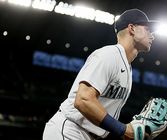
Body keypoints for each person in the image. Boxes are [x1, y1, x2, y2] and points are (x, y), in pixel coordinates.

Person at [43, 8, 156, 140]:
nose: (152, 35)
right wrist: (123, 129)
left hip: (87, 135)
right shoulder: (109, 55)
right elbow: (83, 99)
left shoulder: (126, 66)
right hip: (70, 130)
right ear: (131, 28)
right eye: (148, 29)